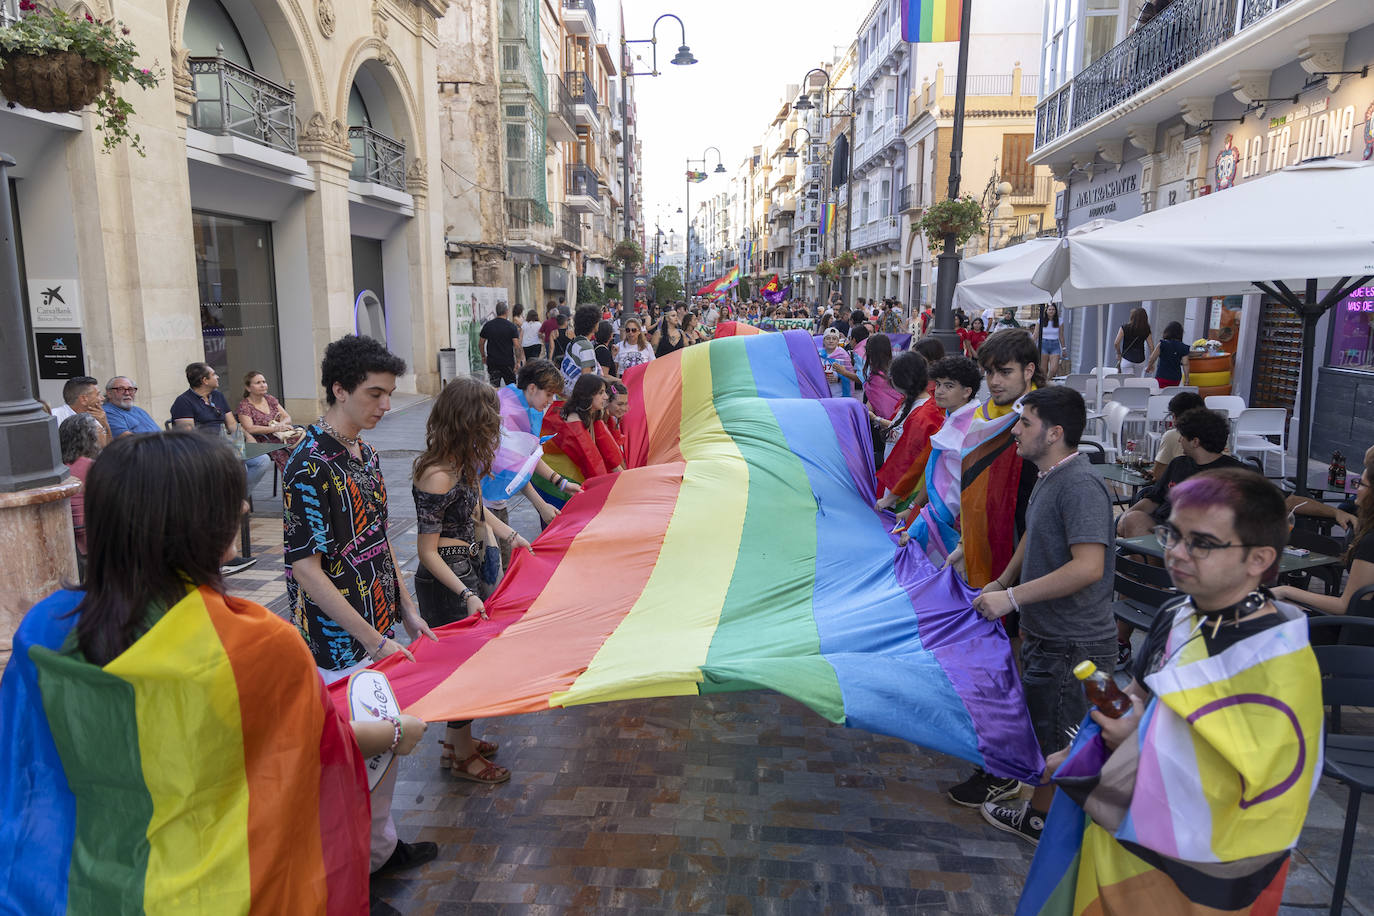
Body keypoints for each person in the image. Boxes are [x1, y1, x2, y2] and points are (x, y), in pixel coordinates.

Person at [0, 432, 422, 913]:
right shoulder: (255, 642)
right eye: (231, 503)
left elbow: (24, 756)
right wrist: (394, 733)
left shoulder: (44, 629)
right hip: (216, 886)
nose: (244, 511)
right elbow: (313, 747)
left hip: (73, 882)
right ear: (199, 527)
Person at [1018, 468, 1323, 913]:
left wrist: (1137, 742)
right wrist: (1087, 747)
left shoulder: (1279, 661)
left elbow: (1262, 789)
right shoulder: (1178, 613)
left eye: (1201, 543)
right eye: (1173, 535)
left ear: (1259, 559)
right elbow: (1140, 695)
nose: (1177, 553)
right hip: (1124, 842)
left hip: (1200, 879)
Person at [282, 335, 438, 876]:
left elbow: (377, 538)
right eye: (375, 394)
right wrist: (371, 638)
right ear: (339, 388)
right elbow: (306, 568)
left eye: (390, 394)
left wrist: (407, 608)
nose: (386, 406)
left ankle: (381, 849)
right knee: (354, 757)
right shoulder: (307, 464)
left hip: (379, 626)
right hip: (337, 641)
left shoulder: (366, 454)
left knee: (386, 745)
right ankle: (353, 872)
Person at [960, 386, 1117, 841]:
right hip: (1050, 637)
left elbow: (1088, 567)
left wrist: (1012, 599)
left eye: (1025, 422)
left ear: (1055, 433)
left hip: (1076, 645)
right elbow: (1033, 534)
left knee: (1060, 738)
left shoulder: (1081, 485)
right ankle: (1041, 810)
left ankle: (1040, 822)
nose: (1016, 430)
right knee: (1045, 727)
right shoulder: (1049, 476)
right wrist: (1003, 581)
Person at [412, 377, 533, 785]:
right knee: (462, 666)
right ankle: (462, 755)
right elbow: (427, 550)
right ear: (467, 421)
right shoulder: (437, 474)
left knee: (468, 662)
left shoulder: (462, 462)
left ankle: (455, 743)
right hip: (446, 580)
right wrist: (465, 593)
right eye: (487, 421)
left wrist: (511, 535)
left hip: (468, 566)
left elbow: (478, 511)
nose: (494, 428)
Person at [961, 329, 1043, 589]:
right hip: (981, 534)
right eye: (989, 372)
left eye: (1005, 372)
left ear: (1028, 371)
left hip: (1026, 546)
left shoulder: (1047, 417)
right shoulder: (982, 414)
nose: (994, 381)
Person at [896, 356, 984, 562]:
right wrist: (912, 509)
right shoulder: (955, 417)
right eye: (939, 384)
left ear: (967, 391)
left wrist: (920, 524)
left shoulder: (967, 429)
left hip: (952, 525)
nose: (940, 390)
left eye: (949, 385)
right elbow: (937, 476)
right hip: (942, 519)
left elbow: (952, 493)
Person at [1117, 407, 1247, 538]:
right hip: (1162, 528)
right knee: (1134, 519)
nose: (1179, 441)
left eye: (1182, 437)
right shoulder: (1178, 464)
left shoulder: (1236, 474)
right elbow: (1153, 498)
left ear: (1195, 442)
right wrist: (1126, 515)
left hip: (1199, 538)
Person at [1272, 451, 1373, 614]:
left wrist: (1286, 591)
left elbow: (1347, 606)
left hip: (1354, 631)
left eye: (1361, 484)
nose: (1356, 488)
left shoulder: (1370, 543)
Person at [236, 370, 301, 474]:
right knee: (287, 449)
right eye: (258, 383)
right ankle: (291, 482)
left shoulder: (269, 399)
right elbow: (250, 428)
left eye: (264, 382)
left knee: (304, 444)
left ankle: (304, 479)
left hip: (280, 435)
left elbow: (287, 417)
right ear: (248, 388)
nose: (262, 385)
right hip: (263, 441)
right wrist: (274, 429)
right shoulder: (244, 405)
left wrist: (281, 424)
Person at [59, 413, 104, 562]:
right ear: (90, 437)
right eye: (102, 430)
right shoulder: (90, 467)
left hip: (73, 539)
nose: (104, 434)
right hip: (93, 540)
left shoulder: (63, 465)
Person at [1148, 390, 1206, 479]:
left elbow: (1158, 474)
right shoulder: (1217, 434)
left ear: (1175, 417)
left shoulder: (1172, 436)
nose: (1180, 440)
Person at [50, 376, 112, 442]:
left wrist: (105, 424)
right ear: (83, 399)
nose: (102, 398)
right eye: (98, 394)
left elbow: (107, 448)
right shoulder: (54, 417)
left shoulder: (95, 417)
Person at [479, 302, 521, 386]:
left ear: (496, 311)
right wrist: (518, 361)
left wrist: (483, 356)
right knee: (511, 387)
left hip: (493, 362)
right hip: (507, 362)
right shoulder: (511, 326)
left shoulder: (488, 325)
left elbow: (481, 343)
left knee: (494, 387)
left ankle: (495, 399)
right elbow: (516, 346)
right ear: (506, 311)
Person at [1146, 319, 1191, 388]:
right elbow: (1185, 364)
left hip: (1162, 376)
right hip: (1175, 378)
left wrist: (1149, 367)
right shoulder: (1184, 347)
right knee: (1170, 394)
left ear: (1167, 331)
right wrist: (1187, 379)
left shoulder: (1162, 344)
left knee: (1159, 394)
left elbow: (1152, 358)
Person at [820, 327, 859, 398]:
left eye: (834, 339)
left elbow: (850, 376)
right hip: (823, 393)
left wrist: (838, 378)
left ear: (838, 341)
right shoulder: (818, 355)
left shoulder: (843, 356)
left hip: (839, 394)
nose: (831, 341)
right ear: (823, 341)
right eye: (828, 338)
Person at [1115, 306, 1153, 377]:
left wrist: (1118, 353)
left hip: (1127, 359)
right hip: (1140, 360)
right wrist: (1151, 362)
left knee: (1127, 382)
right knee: (1136, 382)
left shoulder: (1124, 327)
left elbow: (1116, 343)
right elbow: (1151, 347)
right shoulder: (1146, 330)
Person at [1035, 304, 1062, 379]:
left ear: (1055, 311)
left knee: (1054, 369)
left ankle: (1047, 381)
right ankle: (1044, 384)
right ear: (1046, 311)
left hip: (1055, 345)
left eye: (1053, 309)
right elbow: (1035, 334)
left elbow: (1061, 335)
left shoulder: (1060, 320)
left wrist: (1064, 348)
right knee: (1043, 369)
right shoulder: (1040, 320)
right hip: (1043, 344)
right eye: (1049, 309)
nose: (1051, 311)